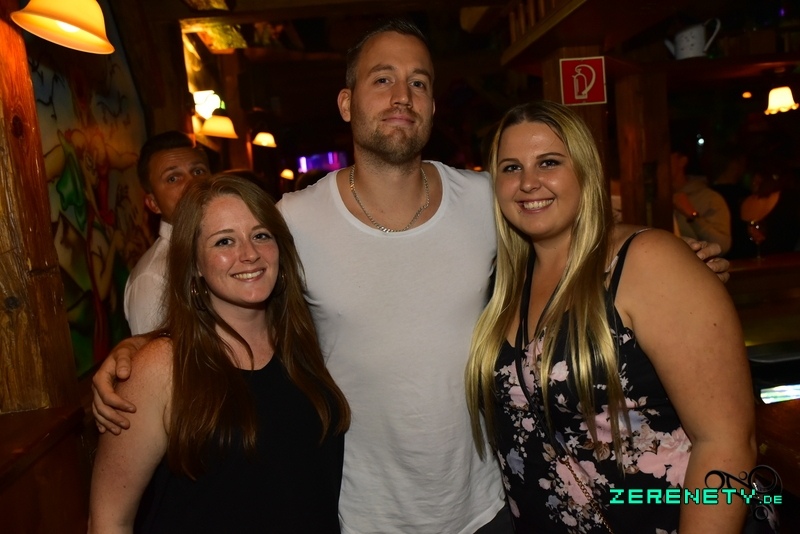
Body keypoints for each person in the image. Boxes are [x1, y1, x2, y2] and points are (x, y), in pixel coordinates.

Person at [91, 18, 731, 534]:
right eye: (383, 79)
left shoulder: (490, 199)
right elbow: (227, 289)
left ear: (431, 105)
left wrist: (676, 262)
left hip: (491, 509)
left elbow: (583, 226)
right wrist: (140, 348)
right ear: (347, 102)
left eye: (419, 82)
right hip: (359, 514)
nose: (402, 96)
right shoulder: (289, 222)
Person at [466, 101, 756, 533]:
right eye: (511, 168)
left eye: (549, 162)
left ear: (586, 171)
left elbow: (727, 444)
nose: (528, 182)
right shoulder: (502, 286)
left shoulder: (647, 262)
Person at [89, 174, 350, 533]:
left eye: (261, 235)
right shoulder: (160, 368)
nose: (249, 254)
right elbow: (108, 520)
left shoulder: (306, 340)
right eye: (224, 241)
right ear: (195, 263)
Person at [124, 131, 210, 335]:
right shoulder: (153, 278)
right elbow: (154, 353)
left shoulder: (228, 247)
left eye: (198, 171)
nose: (193, 183)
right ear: (153, 203)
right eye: (173, 178)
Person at [671, 148, 732, 255]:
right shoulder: (652, 201)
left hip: (695, 265)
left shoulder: (709, 198)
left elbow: (722, 245)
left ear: (682, 161)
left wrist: (692, 215)